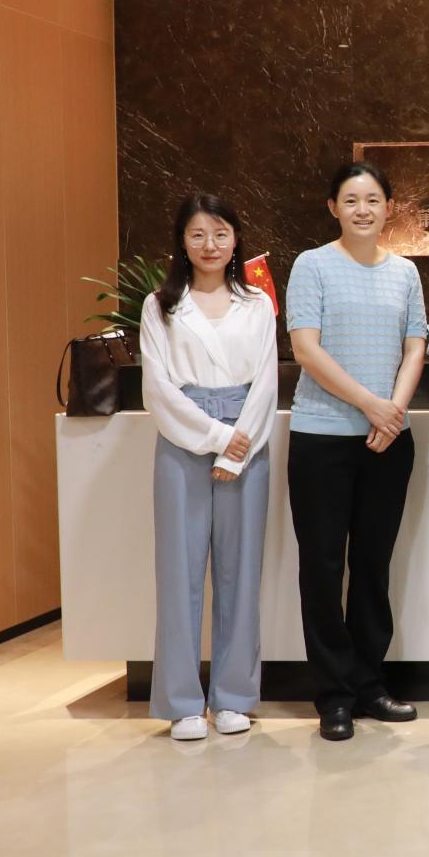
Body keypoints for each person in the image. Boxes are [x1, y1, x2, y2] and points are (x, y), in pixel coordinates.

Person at [285, 161, 429, 742]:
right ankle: (334, 696)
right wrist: (373, 404)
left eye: (372, 199)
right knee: (322, 568)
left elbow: (416, 346)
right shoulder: (312, 265)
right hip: (322, 439)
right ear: (333, 208)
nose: (362, 209)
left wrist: (393, 412)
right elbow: (306, 349)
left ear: (389, 207)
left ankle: (370, 685)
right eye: (351, 200)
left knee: (372, 567)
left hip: (387, 442)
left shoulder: (405, 272)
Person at [138, 195, 278, 741]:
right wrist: (219, 438)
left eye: (220, 233)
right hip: (184, 441)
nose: (210, 245)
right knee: (179, 572)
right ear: (182, 241)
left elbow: (266, 382)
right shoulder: (160, 306)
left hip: (247, 438)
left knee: (240, 573)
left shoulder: (257, 304)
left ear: (236, 238)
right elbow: (158, 389)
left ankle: (234, 697)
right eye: (197, 235)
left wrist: (237, 446)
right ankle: (181, 703)